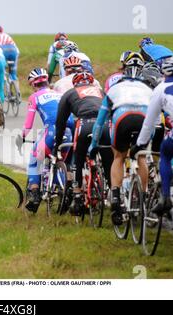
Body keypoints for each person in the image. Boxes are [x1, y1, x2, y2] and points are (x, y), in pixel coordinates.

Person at [131, 56, 173, 214]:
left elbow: (150, 122)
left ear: (164, 71)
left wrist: (140, 144)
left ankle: (166, 198)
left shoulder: (160, 88)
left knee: (165, 152)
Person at [89, 52, 152, 226]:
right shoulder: (148, 88)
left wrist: (93, 145)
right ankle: (143, 198)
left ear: (123, 70)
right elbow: (158, 116)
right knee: (140, 156)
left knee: (118, 156)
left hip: (122, 119)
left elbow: (100, 122)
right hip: (143, 119)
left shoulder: (114, 88)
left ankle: (116, 197)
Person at [55, 72, 113, 216]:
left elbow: (60, 122)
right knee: (109, 162)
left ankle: (77, 196)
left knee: (78, 158)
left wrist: (57, 145)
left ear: (75, 84)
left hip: (85, 123)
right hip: (105, 125)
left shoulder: (70, 93)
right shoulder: (101, 91)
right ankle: (115, 196)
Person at [20, 68, 73, 213]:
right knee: (61, 159)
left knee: (34, 157)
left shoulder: (34, 97)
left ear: (33, 84)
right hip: (69, 132)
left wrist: (22, 137)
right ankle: (64, 188)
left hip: (52, 131)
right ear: (47, 81)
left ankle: (35, 194)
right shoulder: (60, 94)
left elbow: (28, 125)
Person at [0, 26, 20, 95]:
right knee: (13, 73)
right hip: (14, 51)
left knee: (1, 71)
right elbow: (18, 51)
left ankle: (5, 90)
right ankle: (18, 91)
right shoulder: (7, 35)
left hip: (3, 51)